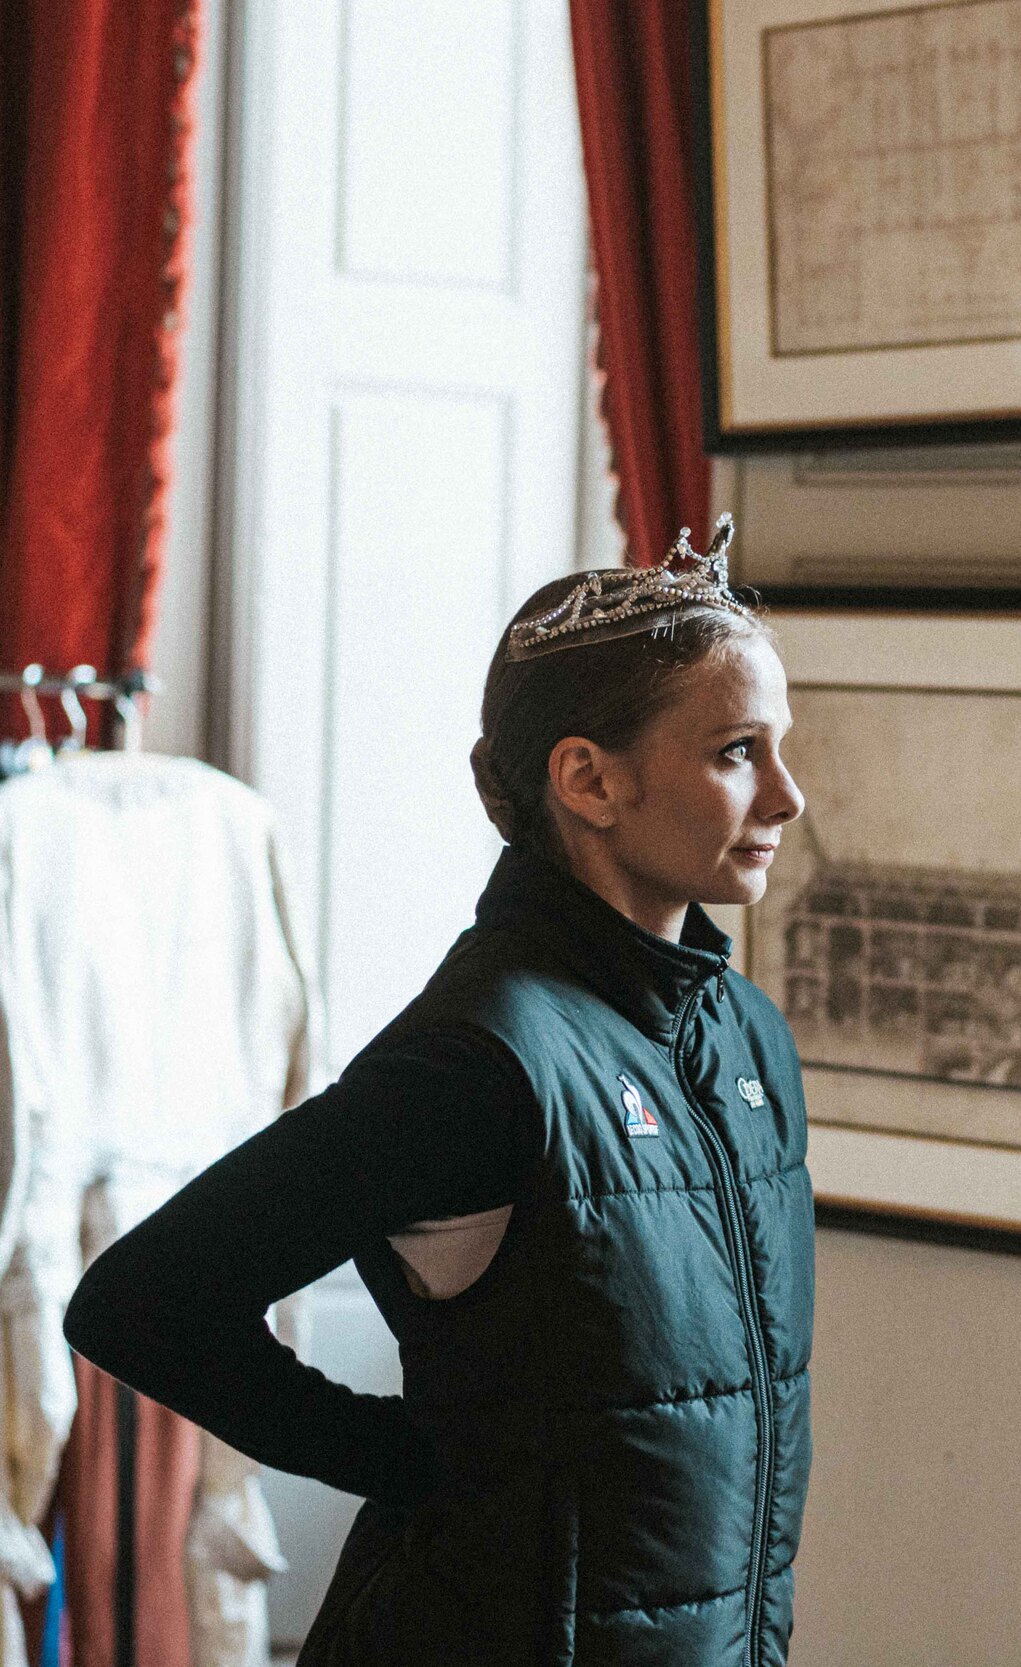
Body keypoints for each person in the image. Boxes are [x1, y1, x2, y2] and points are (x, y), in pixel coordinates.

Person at [63, 522, 816, 1665]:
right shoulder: (481, 1057)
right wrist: (408, 1460)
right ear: (589, 778)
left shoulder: (746, 1038)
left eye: (779, 747)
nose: (787, 795)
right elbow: (142, 1300)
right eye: (736, 752)